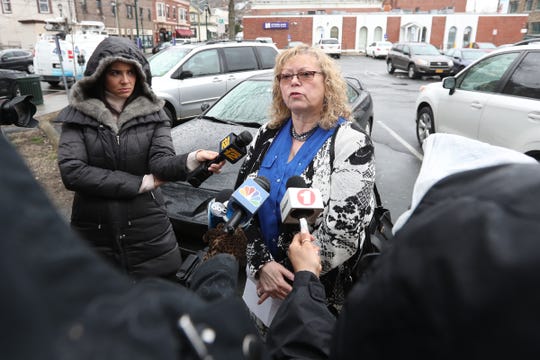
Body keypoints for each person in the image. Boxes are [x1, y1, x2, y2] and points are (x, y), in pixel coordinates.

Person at [56, 37, 224, 280]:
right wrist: (140, 183)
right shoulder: (79, 115)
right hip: (95, 231)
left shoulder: (154, 113)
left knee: (156, 305)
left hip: (147, 230)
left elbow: (160, 163)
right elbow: (72, 171)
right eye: (116, 72)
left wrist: (193, 158)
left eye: (131, 72)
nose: (125, 80)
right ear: (100, 74)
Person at [235, 44, 376, 315]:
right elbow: (243, 204)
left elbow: (343, 233)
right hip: (263, 285)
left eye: (306, 74)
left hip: (317, 291)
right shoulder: (266, 134)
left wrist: (291, 278)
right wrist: (262, 266)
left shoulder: (351, 142)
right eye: (285, 76)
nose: (294, 81)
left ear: (328, 83)